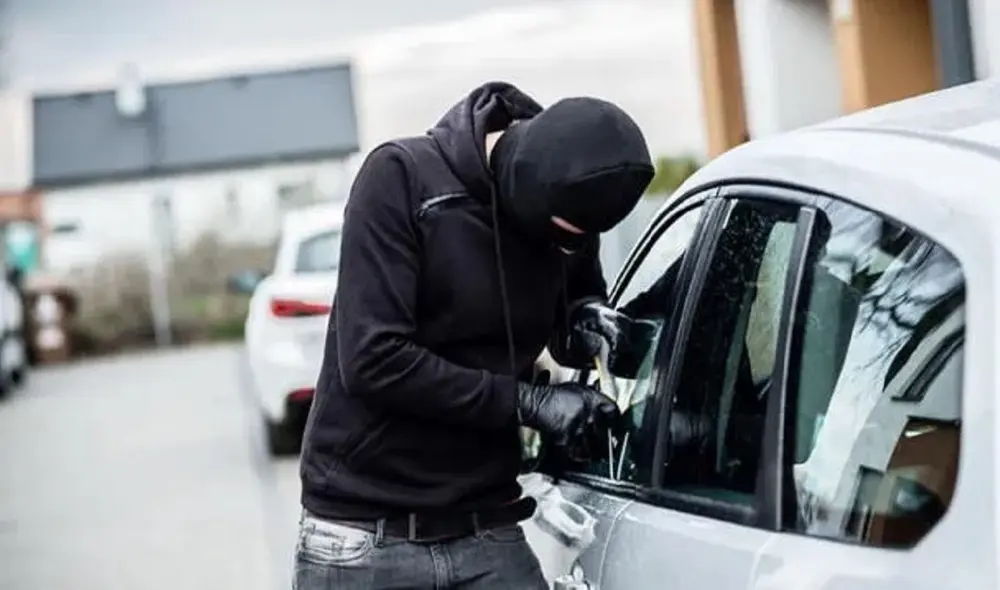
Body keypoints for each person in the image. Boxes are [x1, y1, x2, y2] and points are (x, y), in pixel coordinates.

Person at [295, 81, 654, 589]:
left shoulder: (571, 208)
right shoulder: (402, 179)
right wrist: (529, 402)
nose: (568, 247)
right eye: (561, 234)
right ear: (523, 190)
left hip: (486, 525)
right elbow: (373, 359)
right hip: (365, 536)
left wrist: (587, 321)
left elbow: (566, 313)